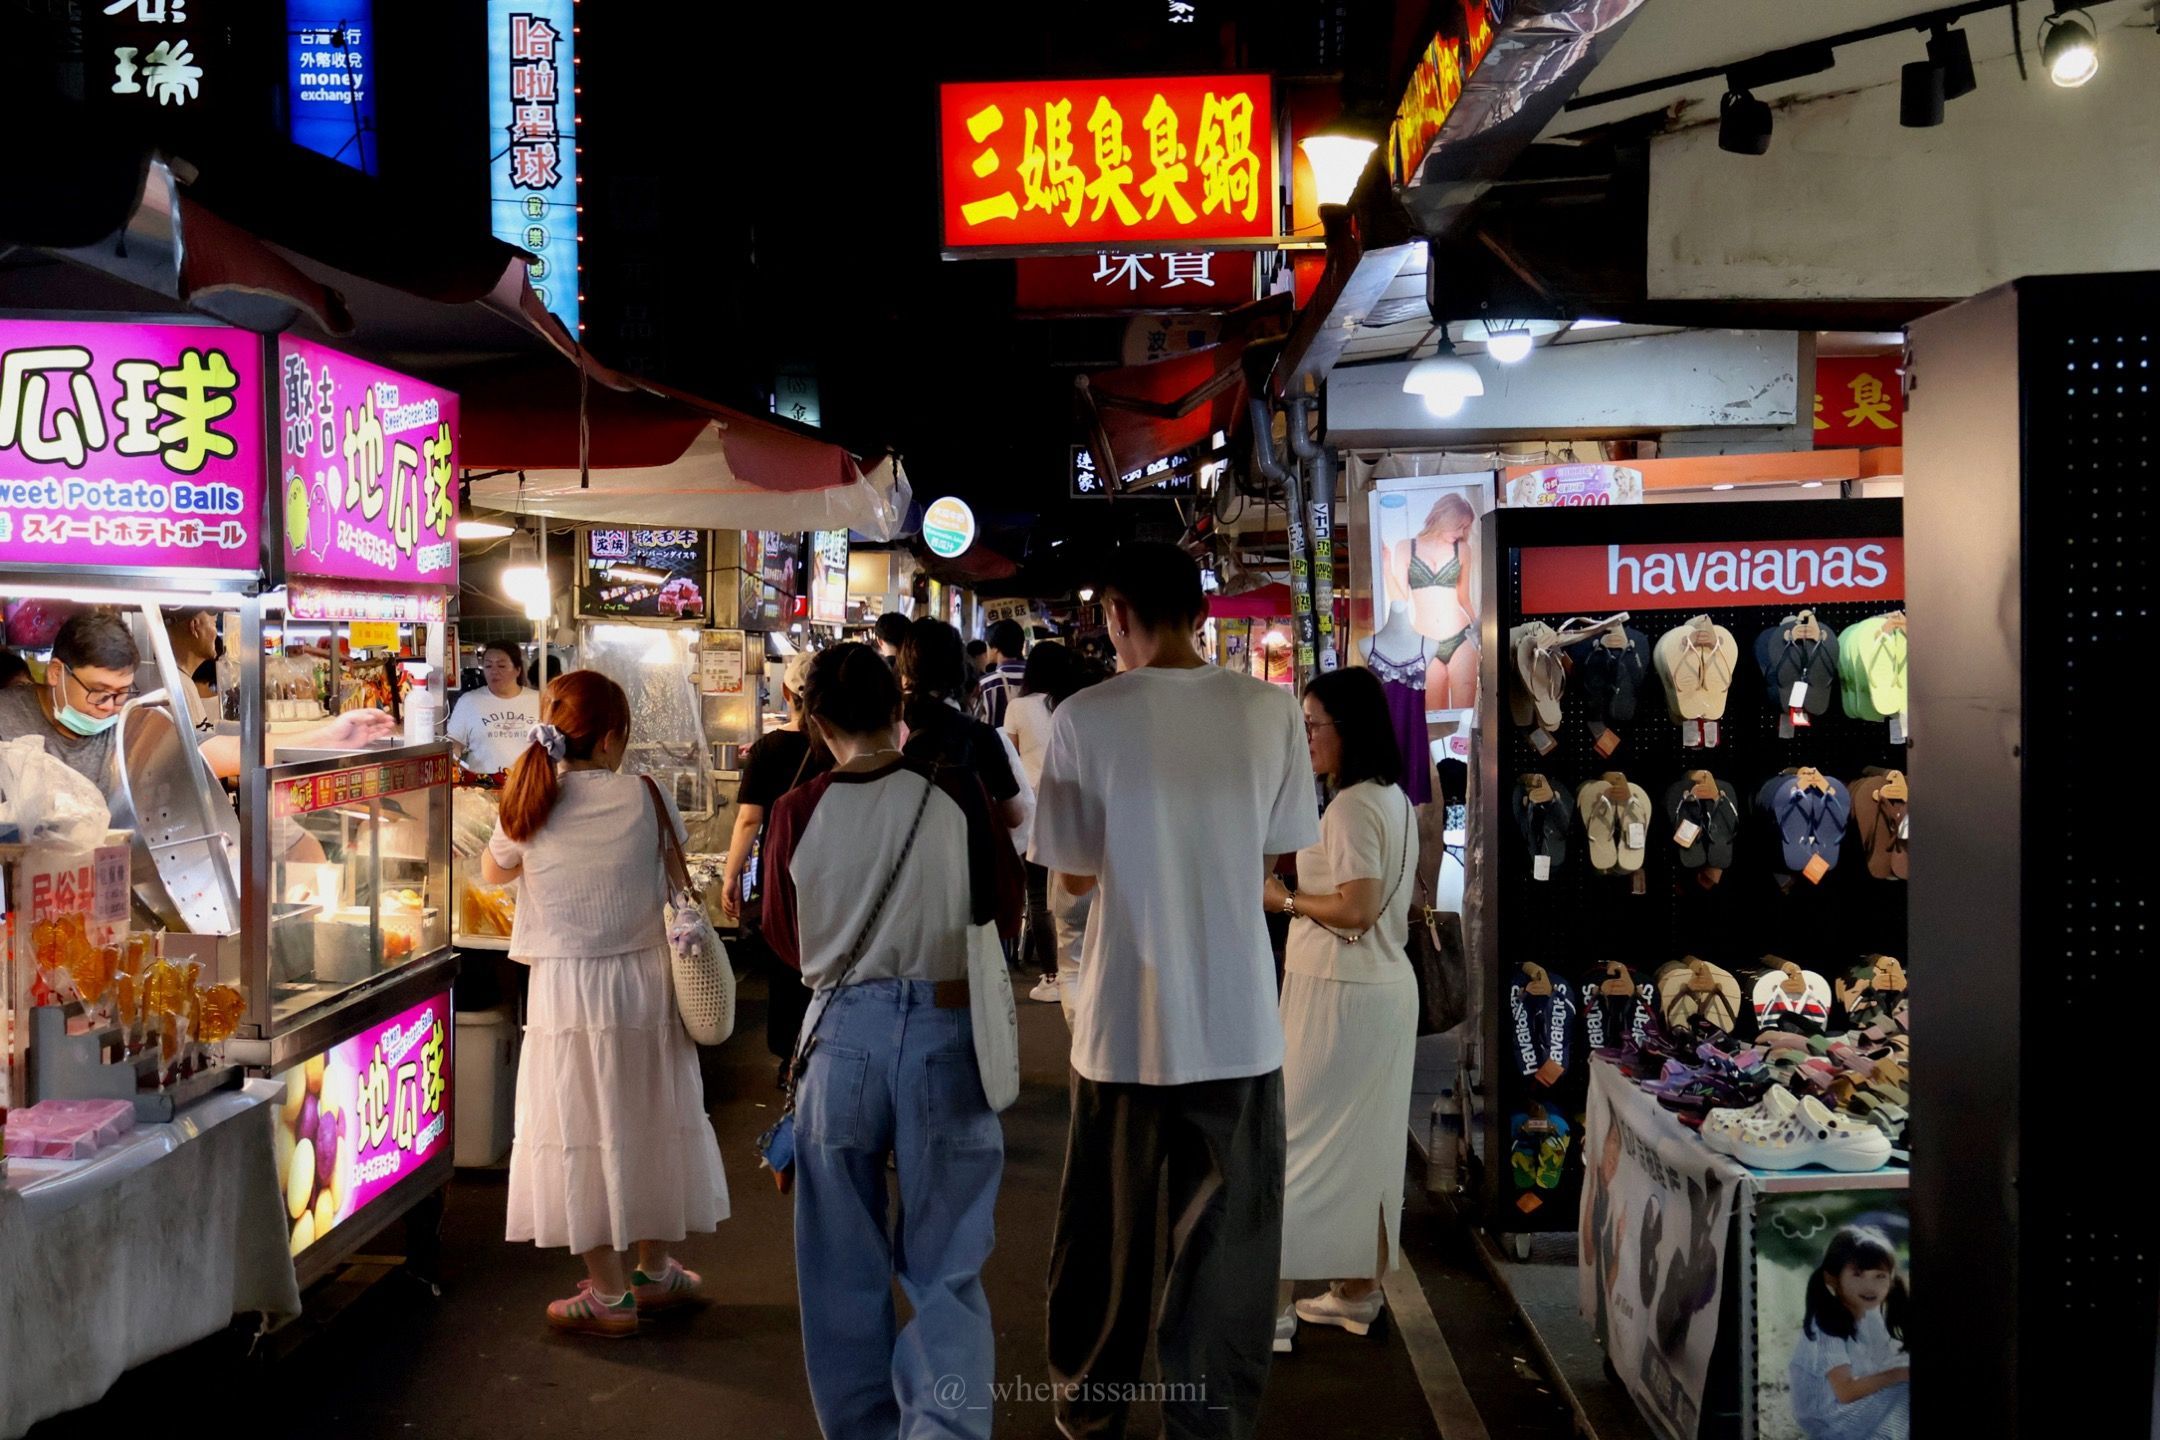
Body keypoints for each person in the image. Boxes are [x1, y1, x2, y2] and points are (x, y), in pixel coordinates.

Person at [1032, 541, 1319, 1440]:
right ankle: (1209, 1423)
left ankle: (1091, 1416)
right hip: (1239, 1024)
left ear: (1119, 613)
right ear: (1199, 609)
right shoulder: (1269, 713)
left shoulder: (1086, 716)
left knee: (1105, 1249)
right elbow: (1276, 851)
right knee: (1227, 1259)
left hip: (1122, 1027)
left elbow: (1073, 876)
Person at [759, 642, 1022, 1440]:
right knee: (948, 1266)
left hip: (841, 1036)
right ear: (897, 707)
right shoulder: (957, 792)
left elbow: (784, 937)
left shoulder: (797, 810)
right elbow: (1002, 909)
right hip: (948, 1029)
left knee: (841, 1257)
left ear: (816, 721)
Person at [480, 670, 729, 1338]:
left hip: (566, 989)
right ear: (614, 736)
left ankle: (611, 1292)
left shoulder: (531, 796)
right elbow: (678, 875)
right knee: (648, 1112)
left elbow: (493, 870)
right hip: (646, 982)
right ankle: (655, 1268)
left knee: (579, 1122)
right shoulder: (644, 795)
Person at [1261, 667, 1419, 1354]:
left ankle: (1271, 1310)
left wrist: (1283, 901)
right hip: (1380, 989)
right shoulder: (1394, 800)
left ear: (1346, 729)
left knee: (1291, 1143)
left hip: (1339, 991)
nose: (1307, 736)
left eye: (1314, 724)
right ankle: (1358, 1290)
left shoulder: (1352, 806)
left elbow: (1355, 908)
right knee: (1370, 1149)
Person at [0, 609, 389, 791]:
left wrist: (330, 736)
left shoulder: (126, 722)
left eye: (121, 694)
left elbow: (217, 752)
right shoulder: (7, 718)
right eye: (99, 693)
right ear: (56, 674)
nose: (109, 708)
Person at [720, 650, 831, 1068]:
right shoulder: (838, 746)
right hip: (833, 865)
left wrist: (731, 877)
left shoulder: (768, 748)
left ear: (786, 692)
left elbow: (749, 820)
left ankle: (789, 1057)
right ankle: (826, 1048)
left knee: (785, 960)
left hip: (780, 868)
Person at [1003, 639, 1087, 1005]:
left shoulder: (1018, 707)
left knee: (1038, 894)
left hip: (1036, 806)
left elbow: (1011, 756)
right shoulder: (1078, 704)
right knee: (1076, 891)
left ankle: (1052, 975)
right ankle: (1080, 968)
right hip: (1077, 807)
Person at [897, 617, 1026, 833]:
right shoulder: (979, 735)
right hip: (963, 855)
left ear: (905, 673)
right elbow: (1014, 815)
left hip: (897, 854)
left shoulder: (886, 725)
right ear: (959, 669)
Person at [1788, 1225, 1910, 1439]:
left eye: (1879, 1276)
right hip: (1829, 1420)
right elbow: (1845, 1391)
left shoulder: (1869, 1315)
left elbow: (1882, 1361)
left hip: (1852, 1410)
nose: (1870, 1286)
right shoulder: (1826, 1326)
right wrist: (1899, 1374)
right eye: (1858, 1275)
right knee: (1904, 1388)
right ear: (1832, 1278)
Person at [1384, 493, 1480, 714]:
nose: (1461, 534)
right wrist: (1387, 566)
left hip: (1461, 638)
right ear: (1443, 518)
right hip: (1425, 643)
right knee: (1433, 718)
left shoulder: (1463, 550)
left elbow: (1464, 598)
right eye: (1458, 527)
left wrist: (1480, 633)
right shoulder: (1405, 547)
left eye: (1465, 528)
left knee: (1466, 717)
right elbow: (1400, 600)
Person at [448, 642, 539, 776]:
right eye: (488, 665)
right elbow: (455, 742)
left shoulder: (538, 700)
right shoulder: (469, 701)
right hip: (484, 787)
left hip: (530, 783)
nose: (494, 671)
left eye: (501, 665)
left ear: (517, 670)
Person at [162, 606, 225, 734]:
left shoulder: (181, 680)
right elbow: (200, 748)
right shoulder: (179, 685)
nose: (216, 633)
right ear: (195, 627)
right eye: (213, 623)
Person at [973, 618, 1028, 728]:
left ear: (995, 648)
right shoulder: (1038, 678)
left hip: (996, 744)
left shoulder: (986, 684)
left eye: (987, 645)